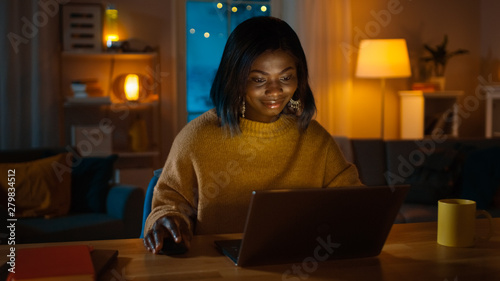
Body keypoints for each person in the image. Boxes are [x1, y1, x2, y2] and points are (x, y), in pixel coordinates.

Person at [143, 16, 362, 254]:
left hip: (298, 261)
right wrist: (167, 219)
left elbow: (353, 199)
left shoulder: (314, 138)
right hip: (218, 267)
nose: (275, 90)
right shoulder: (197, 138)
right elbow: (168, 204)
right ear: (235, 80)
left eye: (286, 77)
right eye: (259, 79)